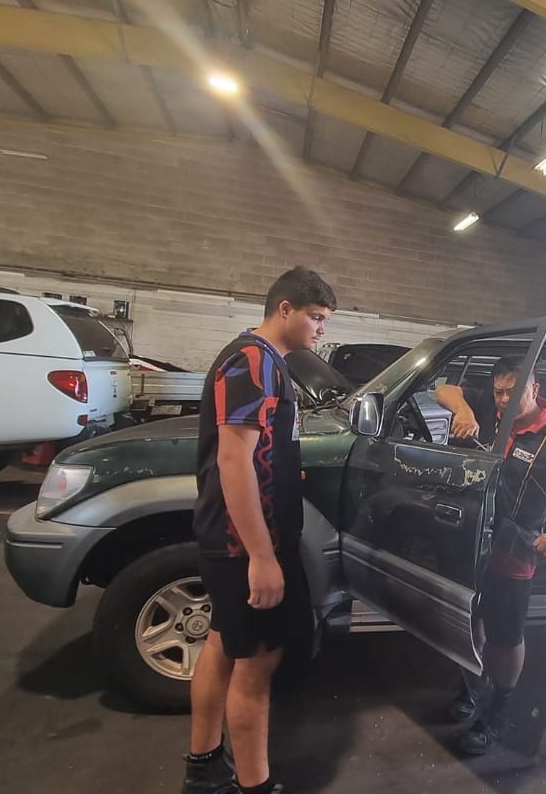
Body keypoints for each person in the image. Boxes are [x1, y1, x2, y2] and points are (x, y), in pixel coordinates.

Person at [182, 267, 336, 794]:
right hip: (243, 546)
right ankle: (255, 785)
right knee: (256, 666)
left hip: (238, 541)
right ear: (285, 309)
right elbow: (234, 461)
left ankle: (203, 771)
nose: (322, 329)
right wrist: (262, 556)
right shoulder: (252, 361)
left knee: (224, 645)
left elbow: (256, 451)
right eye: (316, 317)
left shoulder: (266, 362)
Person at [435, 356, 546, 755]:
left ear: (534, 390)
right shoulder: (493, 409)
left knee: (506, 635)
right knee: (472, 618)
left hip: (515, 550)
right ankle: (473, 687)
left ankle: (497, 712)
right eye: (498, 392)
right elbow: (442, 390)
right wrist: (465, 410)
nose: (503, 400)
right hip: (475, 540)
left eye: (512, 392)